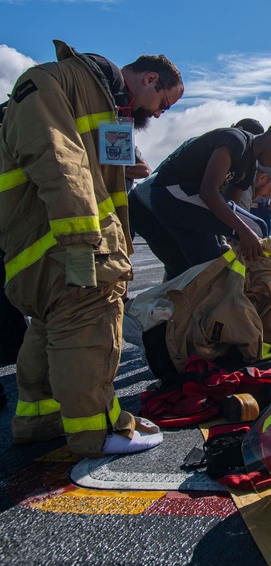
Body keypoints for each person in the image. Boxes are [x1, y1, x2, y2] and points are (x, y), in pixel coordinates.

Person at [2, 41, 182, 456]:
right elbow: (58, 161)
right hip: (68, 242)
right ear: (151, 78)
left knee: (52, 326)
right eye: (163, 103)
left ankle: (38, 418)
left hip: (53, 243)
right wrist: (88, 243)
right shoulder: (54, 82)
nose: (158, 114)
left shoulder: (101, 102)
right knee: (90, 324)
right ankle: (99, 431)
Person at [150, 121, 271, 273]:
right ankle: (265, 278)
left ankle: (245, 289)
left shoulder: (249, 168)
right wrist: (243, 232)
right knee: (257, 227)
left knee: (211, 264)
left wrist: (227, 237)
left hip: (188, 204)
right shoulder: (236, 140)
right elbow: (209, 191)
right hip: (172, 194)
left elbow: (231, 204)